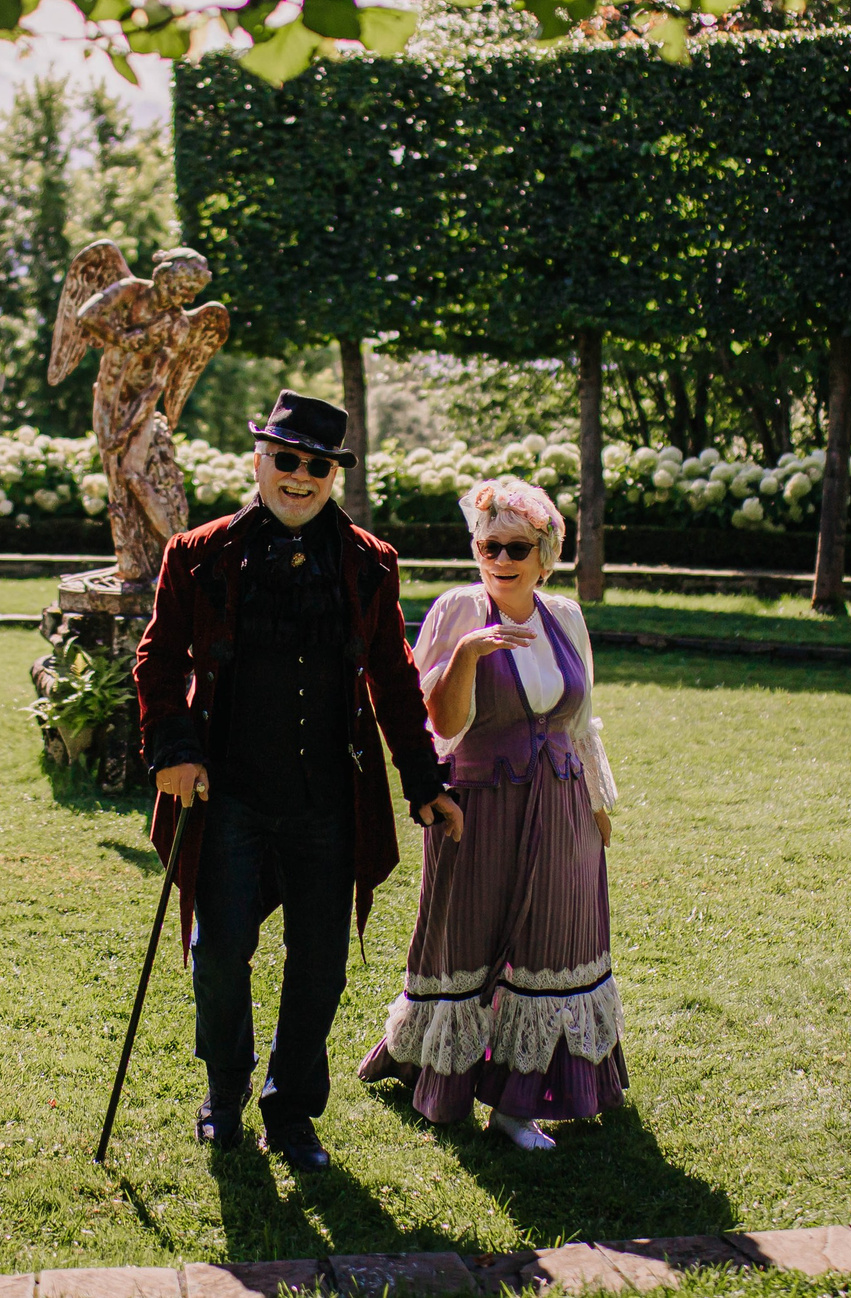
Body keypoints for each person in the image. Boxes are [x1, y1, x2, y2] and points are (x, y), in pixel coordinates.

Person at [133, 389, 466, 1171]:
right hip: (229, 797)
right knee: (218, 951)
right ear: (259, 459)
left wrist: (424, 780)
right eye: (285, 459)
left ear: (333, 476)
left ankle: (290, 1111)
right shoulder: (198, 554)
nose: (299, 476)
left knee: (320, 962)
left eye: (316, 466)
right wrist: (174, 749)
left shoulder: (367, 564)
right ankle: (223, 1095)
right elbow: (158, 661)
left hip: (327, 798)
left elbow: (392, 676)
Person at [357, 475, 626, 1150]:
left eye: (516, 547)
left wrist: (597, 806)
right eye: (488, 546)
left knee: (552, 944)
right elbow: (435, 724)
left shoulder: (564, 617)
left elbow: (581, 722)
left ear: (545, 555)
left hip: (561, 807)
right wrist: (469, 655)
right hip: (477, 807)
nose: (500, 560)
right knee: (464, 939)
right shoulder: (458, 609)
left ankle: (517, 1105)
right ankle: (435, 1070)